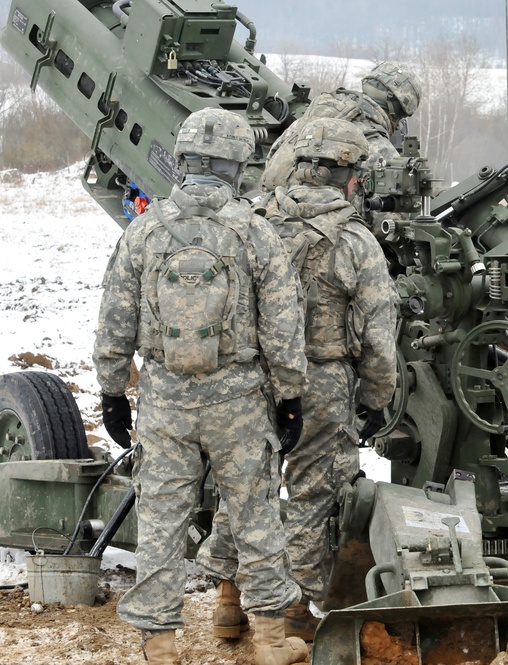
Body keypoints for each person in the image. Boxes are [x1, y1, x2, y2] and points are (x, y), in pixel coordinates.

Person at [93, 108, 310, 665]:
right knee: (256, 517)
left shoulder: (145, 230)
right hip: (238, 402)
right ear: (239, 166)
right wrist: (290, 396)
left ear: (183, 160)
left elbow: (114, 317)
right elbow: (283, 328)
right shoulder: (256, 232)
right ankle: (267, 641)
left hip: (164, 402)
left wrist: (114, 391)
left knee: (163, 521)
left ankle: (161, 646)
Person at [197, 117, 399, 642]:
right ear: (348, 177)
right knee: (313, 492)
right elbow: (378, 332)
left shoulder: (252, 222)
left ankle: (229, 598)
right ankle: (290, 608)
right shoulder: (355, 240)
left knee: (245, 486)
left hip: (249, 378)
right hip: (321, 382)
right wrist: (377, 397)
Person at [258, 60, 423, 197]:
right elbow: (388, 221)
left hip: (274, 210)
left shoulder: (313, 115)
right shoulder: (381, 148)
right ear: (397, 110)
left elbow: (273, 157)